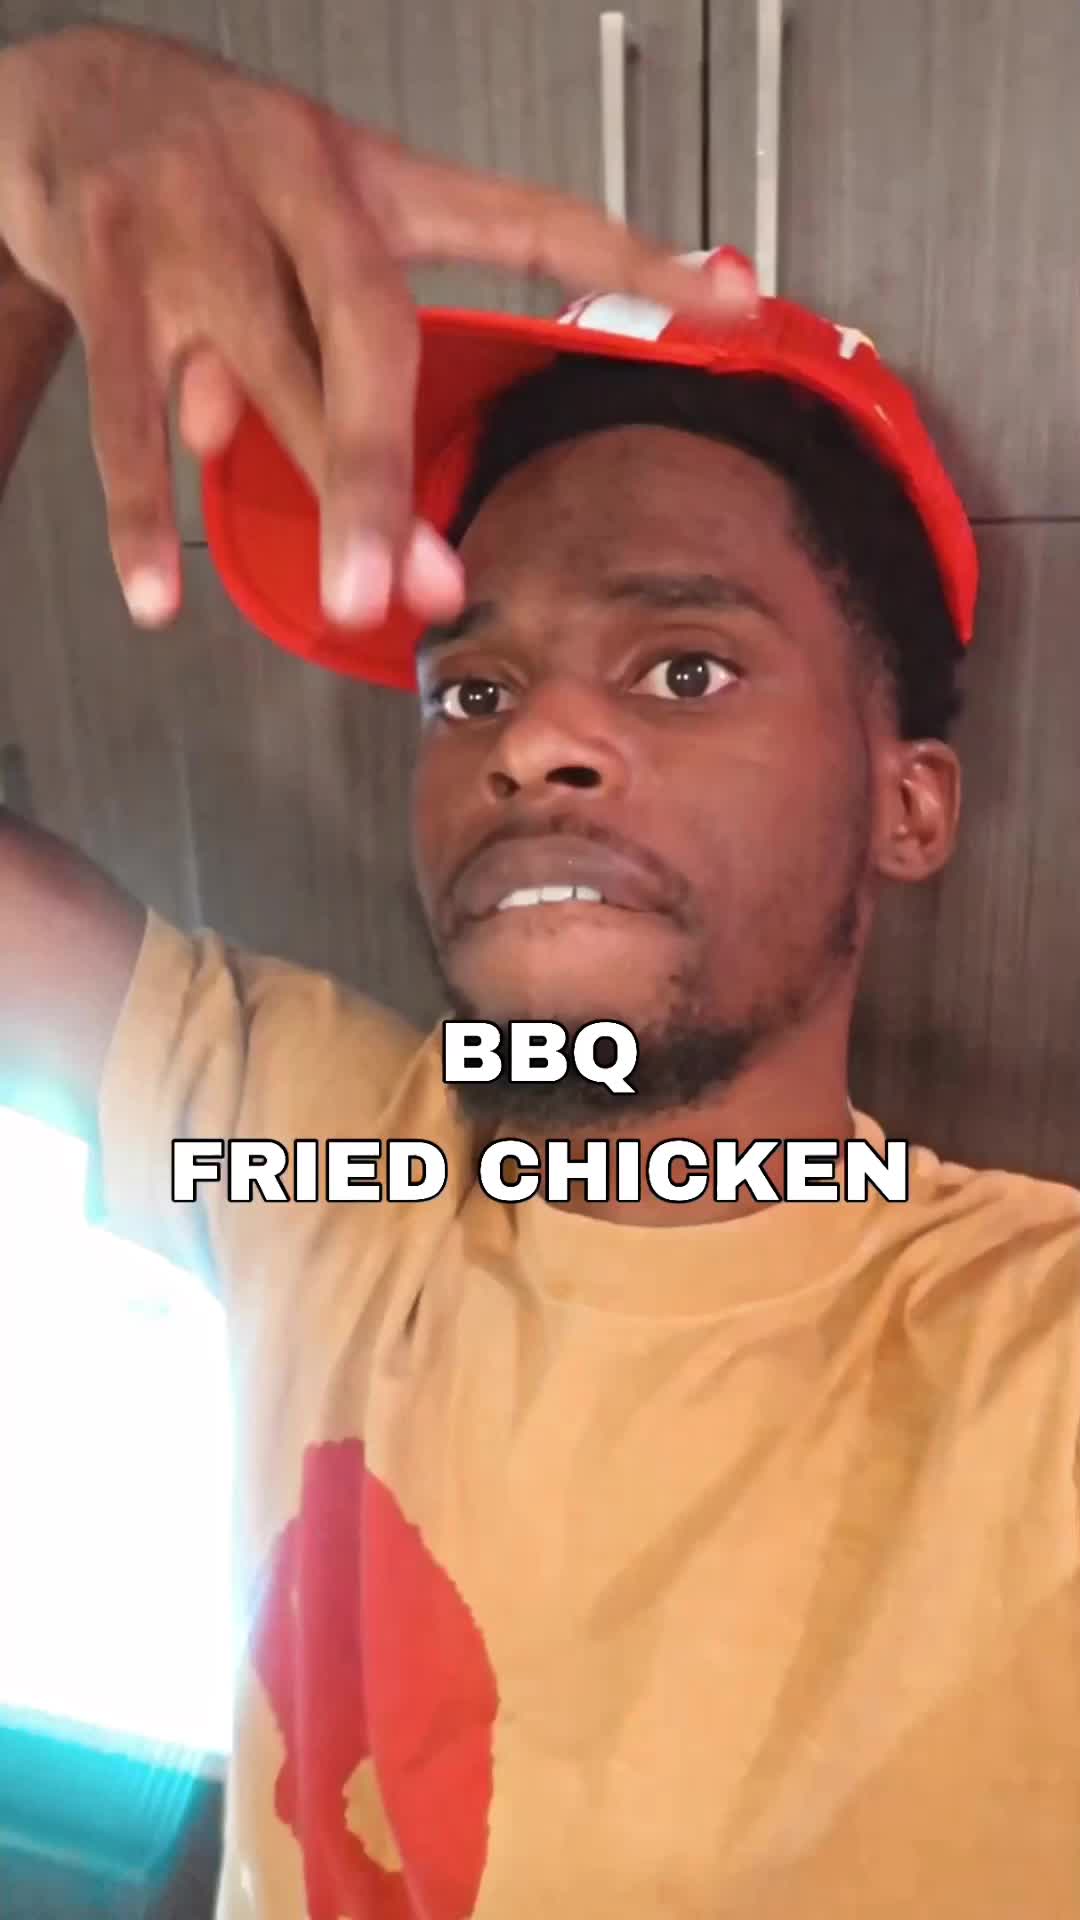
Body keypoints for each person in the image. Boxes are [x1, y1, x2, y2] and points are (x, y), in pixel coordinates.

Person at [1, 21, 1077, 1920]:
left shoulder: (1033, 1359)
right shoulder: (318, 1157)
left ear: (909, 806)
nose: (534, 745)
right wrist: (19, 192)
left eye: (684, 666)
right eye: (474, 689)